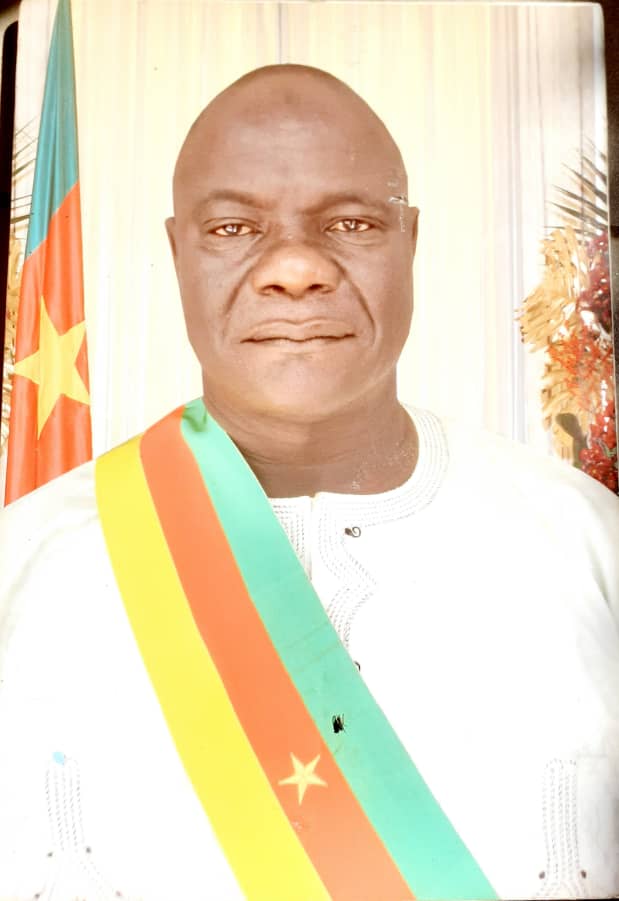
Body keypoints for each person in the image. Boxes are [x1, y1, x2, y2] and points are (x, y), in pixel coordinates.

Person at [1, 64, 618, 901]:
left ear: (408, 242)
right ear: (177, 253)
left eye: (351, 222)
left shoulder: (587, 543)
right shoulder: (22, 563)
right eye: (232, 228)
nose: (294, 267)